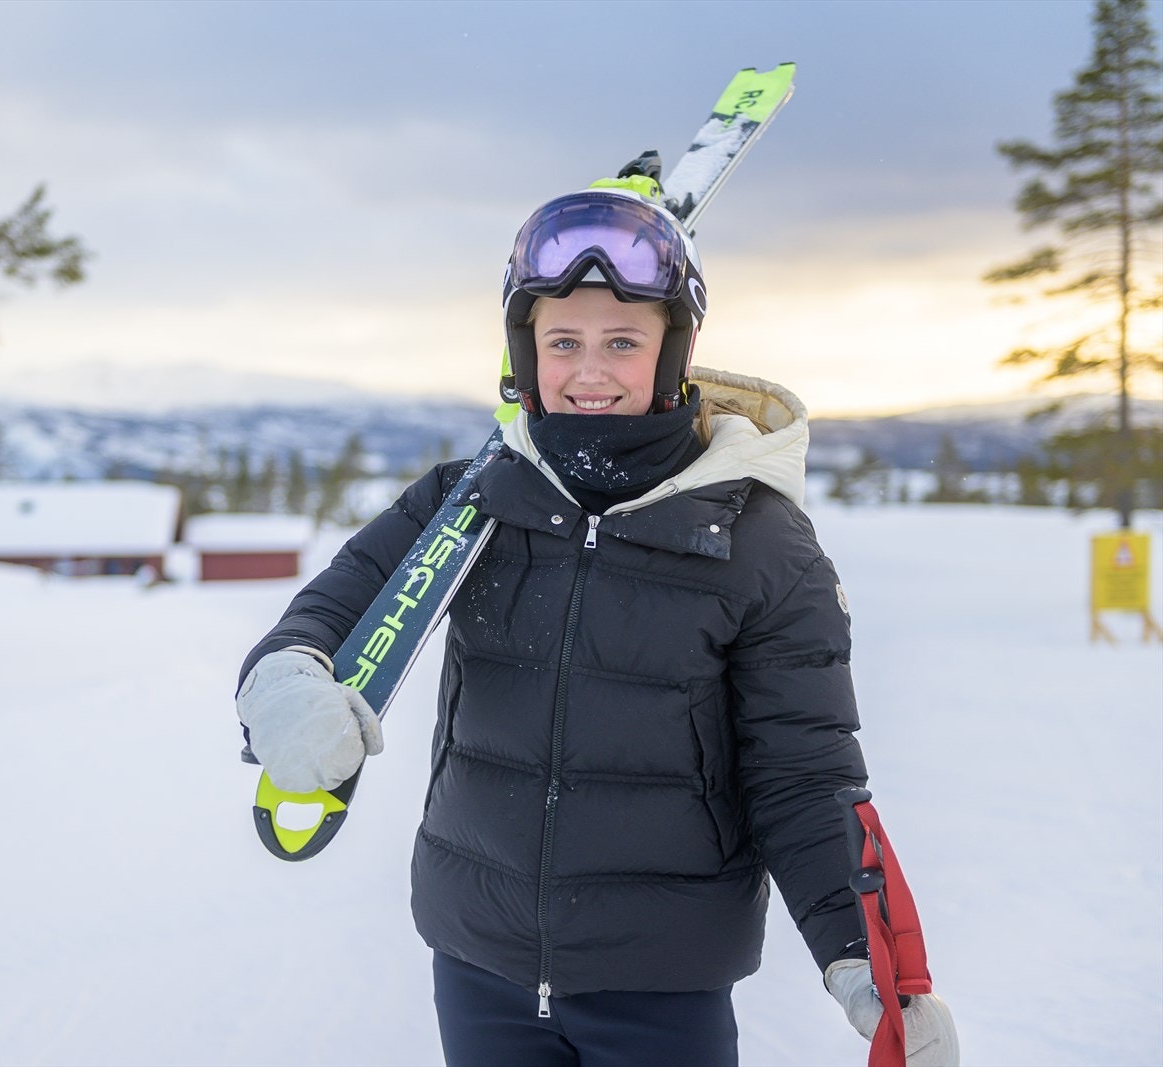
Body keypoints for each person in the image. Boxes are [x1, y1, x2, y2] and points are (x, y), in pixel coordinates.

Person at [235, 180, 960, 1066]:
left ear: (673, 354)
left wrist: (866, 957)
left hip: (663, 982)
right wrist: (286, 675)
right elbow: (335, 604)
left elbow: (804, 773)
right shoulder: (470, 502)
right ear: (525, 352)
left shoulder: (761, 543)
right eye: (562, 341)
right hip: (479, 961)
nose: (588, 371)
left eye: (622, 341)